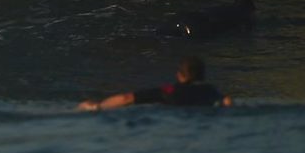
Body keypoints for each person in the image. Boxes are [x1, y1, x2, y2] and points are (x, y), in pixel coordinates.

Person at [77, 56, 233, 111]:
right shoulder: (211, 90)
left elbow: (127, 99)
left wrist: (99, 107)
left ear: (179, 75)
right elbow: (227, 102)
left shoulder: (169, 90)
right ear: (203, 75)